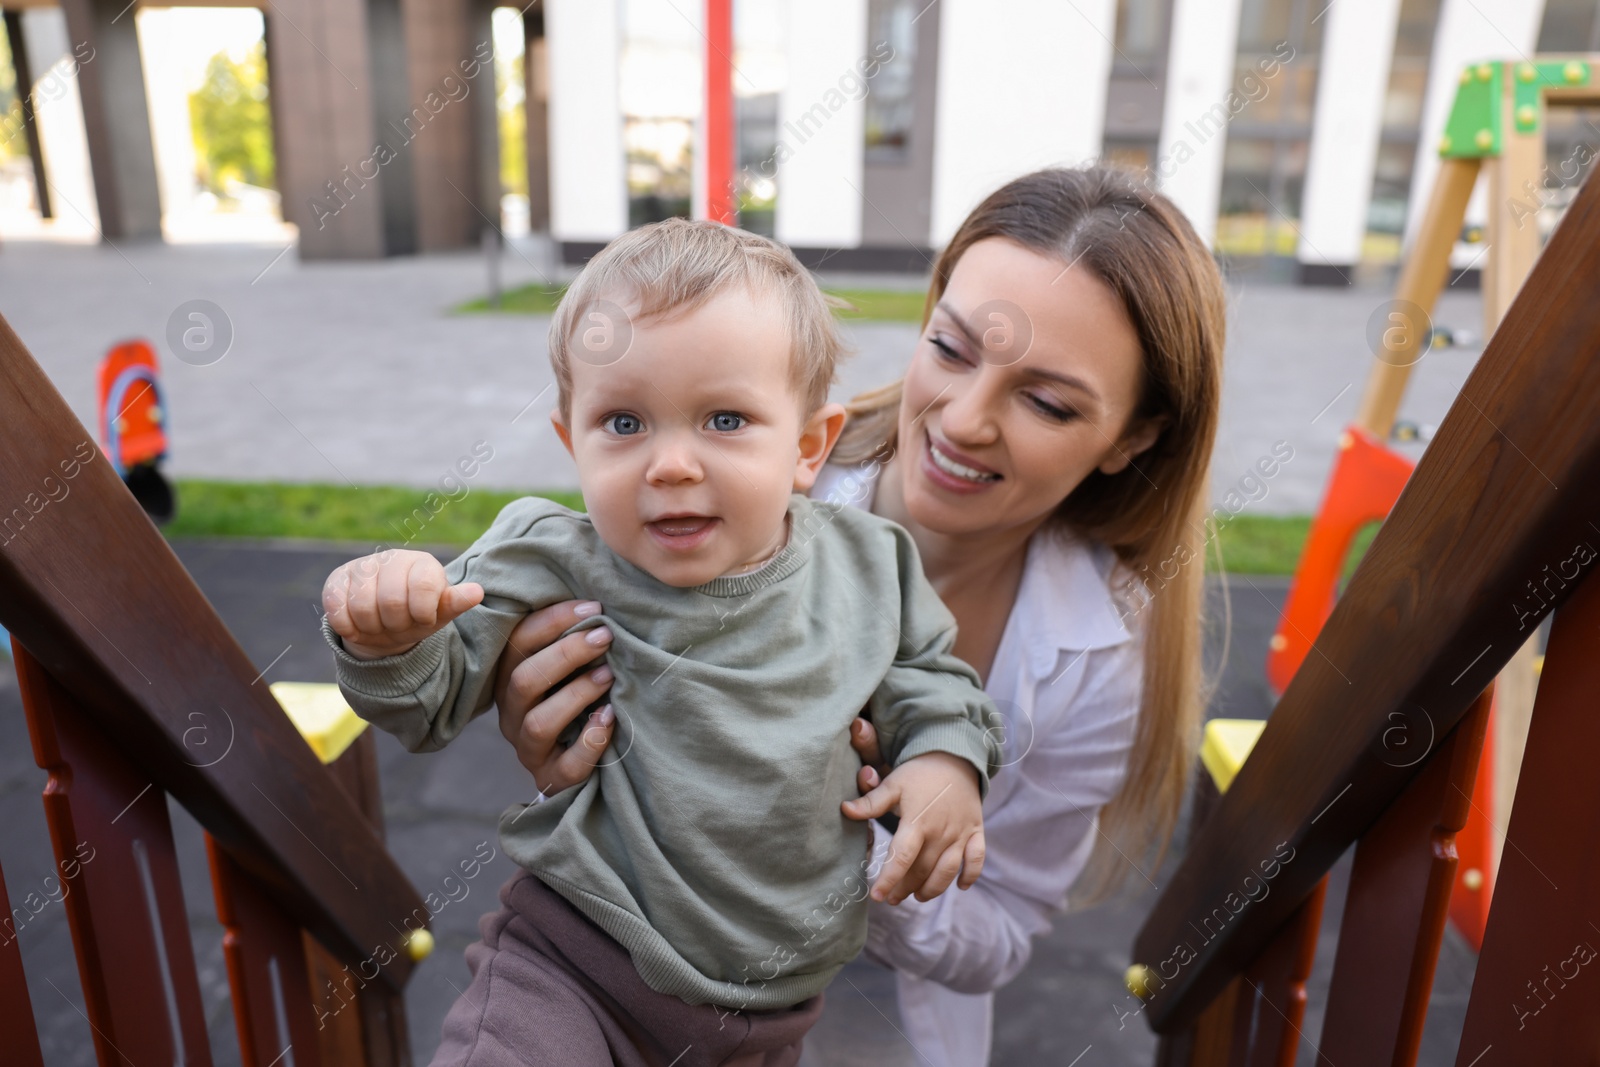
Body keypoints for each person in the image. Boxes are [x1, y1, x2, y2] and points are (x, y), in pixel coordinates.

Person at [488, 164, 1226, 1065]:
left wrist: (844, 849)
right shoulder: (730, 498)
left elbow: (1002, 928)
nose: (964, 419)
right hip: (627, 963)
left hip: (869, 1014)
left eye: (1045, 401)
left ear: (1132, 437)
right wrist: (562, 749)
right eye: (951, 349)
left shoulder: (1104, 654)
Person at [319, 218, 1003, 1067]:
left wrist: (944, 759)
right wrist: (389, 638)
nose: (670, 464)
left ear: (807, 447)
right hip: (576, 962)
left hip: (773, 1012)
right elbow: (429, 701)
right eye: (624, 423)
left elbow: (935, 679)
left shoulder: (868, 565)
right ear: (573, 443)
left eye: (723, 418)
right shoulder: (548, 555)